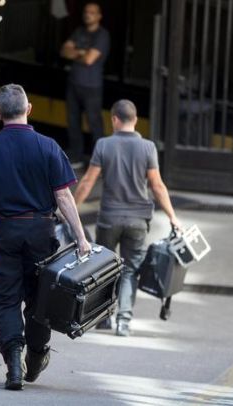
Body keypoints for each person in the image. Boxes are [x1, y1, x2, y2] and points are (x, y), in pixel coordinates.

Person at [0, 84, 91, 390]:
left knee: (6, 299)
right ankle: (37, 355)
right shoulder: (48, 146)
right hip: (41, 232)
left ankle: (14, 364)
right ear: (29, 109)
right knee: (39, 298)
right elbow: (64, 196)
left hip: (4, 231)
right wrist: (81, 237)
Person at [73, 99, 182, 337]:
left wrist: (71, 209)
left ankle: (104, 318)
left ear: (114, 119)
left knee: (105, 268)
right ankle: (124, 321)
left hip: (109, 219)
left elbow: (88, 181)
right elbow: (157, 186)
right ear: (135, 120)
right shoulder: (148, 148)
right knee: (130, 270)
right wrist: (172, 216)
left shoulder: (104, 145)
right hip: (137, 221)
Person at [60, 2, 110, 167]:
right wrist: (82, 53)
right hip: (74, 83)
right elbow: (64, 51)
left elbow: (89, 59)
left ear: (99, 16)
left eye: (92, 12)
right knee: (73, 121)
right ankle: (76, 156)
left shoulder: (102, 35)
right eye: (86, 12)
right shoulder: (79, 31)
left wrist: (77, 53)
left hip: (92, 86)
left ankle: (99, 161)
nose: (88, 15)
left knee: (94, 123)